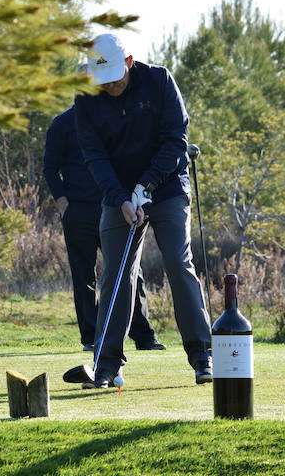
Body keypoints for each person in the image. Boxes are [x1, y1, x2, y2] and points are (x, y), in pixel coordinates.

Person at [74, 33, 212, 389]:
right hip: (117, 194)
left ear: (130, 63)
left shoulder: (160, 81)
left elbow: (175, 141)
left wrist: (145, 186)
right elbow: (94, 156)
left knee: (178, 265)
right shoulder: (87, 98)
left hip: (165, 188)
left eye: (114, 78)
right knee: (117, 274)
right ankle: (106, 364)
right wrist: (121, 197)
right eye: (100, 80)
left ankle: (202, 356)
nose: (108, 86)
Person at [43, 106, 166, 353]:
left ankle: (143, 336)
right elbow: (50, 168)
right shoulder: (62, 123)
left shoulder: (113, 116)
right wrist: (63, 203)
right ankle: (91, 337)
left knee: (131, 271)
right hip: (79, 210)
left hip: (115, 206)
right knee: (84, 276)